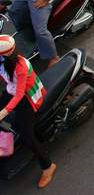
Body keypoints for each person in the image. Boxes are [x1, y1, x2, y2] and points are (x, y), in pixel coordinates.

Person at [0, 35, 57, 188]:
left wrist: (4, 112)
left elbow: (19, 94)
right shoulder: (4, 60)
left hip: (28, 98)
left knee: (27, 137)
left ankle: (48, 166)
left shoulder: (20, 67)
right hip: (12, 91)